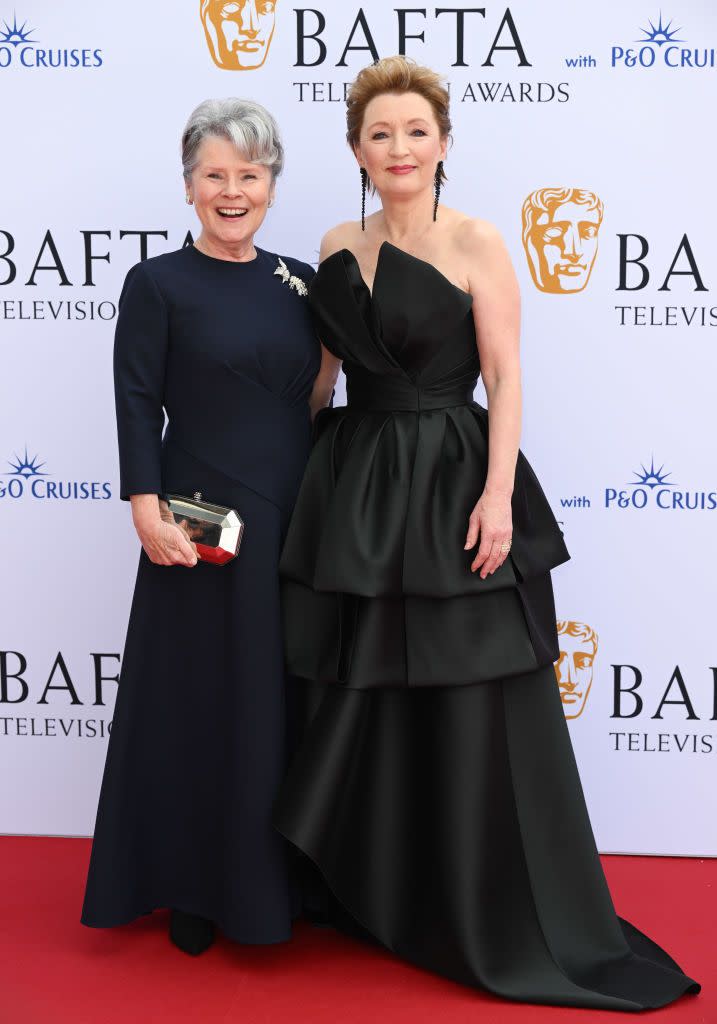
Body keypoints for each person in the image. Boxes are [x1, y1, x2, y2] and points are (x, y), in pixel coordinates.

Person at [274, 57, 700, 1010]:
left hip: (451, 476)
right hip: (357, 481)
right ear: (355, 148)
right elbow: (322, 377)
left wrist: (498, 494)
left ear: (443, 145)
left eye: (415, 133)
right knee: (364, 686)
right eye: (379, 134)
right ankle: (380, 888)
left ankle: (482, 904)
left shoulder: (478, 242)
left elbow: (505, 380)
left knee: (469, 692)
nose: (398, 149)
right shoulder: (336, 240)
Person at [82, 98, 328, 955]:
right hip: (200, 534)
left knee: (285, 705)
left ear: (271, 184)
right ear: (189, 186)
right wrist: (144, 508)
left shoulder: (300, 279)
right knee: (200, 707)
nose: (233, 191)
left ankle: (287, 886)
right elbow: (135, 398)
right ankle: (195, 887)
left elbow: (320, 393)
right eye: (215, 175)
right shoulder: (156, 283)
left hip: (295, 521)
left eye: (249, 176)